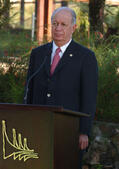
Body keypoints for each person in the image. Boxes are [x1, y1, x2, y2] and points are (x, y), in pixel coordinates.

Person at [25, 7, 98, 168]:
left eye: (63, 24)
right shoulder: (38, 54)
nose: (58, 28)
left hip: (68, 130)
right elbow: (29, 90)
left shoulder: (85, 57)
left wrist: (84, 131)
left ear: (73, 27)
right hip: (39, 128)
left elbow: (89, 97)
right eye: (55, 23)